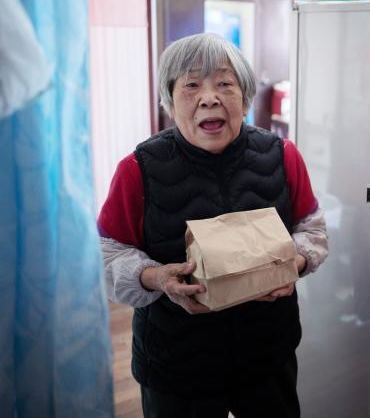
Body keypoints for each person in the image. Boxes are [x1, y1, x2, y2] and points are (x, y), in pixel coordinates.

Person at [98, 33, 328, 418]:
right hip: (177, 362)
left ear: (245, 98)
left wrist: (296, 263)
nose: (209, 98)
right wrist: (156, 278)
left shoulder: (282, 155)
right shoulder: (137, 169)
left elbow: (312, 229)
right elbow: (107, 253)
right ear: (170, 100)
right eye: (191, 85)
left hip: (267, 353)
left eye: (224, 84)